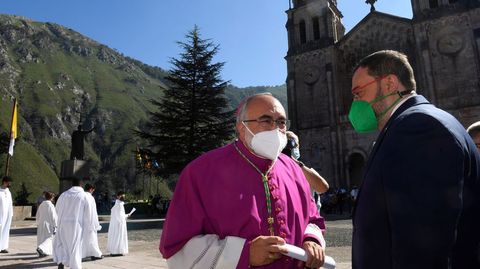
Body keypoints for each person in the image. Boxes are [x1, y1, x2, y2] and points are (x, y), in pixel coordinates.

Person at [160, 93, 326, 268]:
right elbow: (178, 248)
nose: (275, 129)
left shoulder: (294, 169)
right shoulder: (200, 172)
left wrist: (312, 240)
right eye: (266, 120)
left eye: (281, 122)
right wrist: (242, 254)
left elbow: (312, 218)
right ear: (241, 127)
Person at [349, 50, 480, 268]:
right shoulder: (414, 123)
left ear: (389, 84)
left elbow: (423, 247)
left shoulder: (418, 128)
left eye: (358, 93)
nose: (355, 104)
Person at [53, 177, 96, 269]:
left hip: (63, 224)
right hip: (76, 224)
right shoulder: (84, 196)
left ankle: (60, 262)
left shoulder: (64, 195)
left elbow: (57, 209)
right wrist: (90, 226)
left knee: (62, 244)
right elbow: (88, 213)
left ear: (71, 184)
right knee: (74, 246)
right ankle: (75, 266)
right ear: (81, 185)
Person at [82, 183, 103, 261]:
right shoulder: (90, 197)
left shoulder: (81, 196)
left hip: (81, 222)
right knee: (92, 239)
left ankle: (82, 254)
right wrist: (95, 224)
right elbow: (93, 212)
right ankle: (95, 254)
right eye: (93, 190)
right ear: (91, 189)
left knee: (83, 239)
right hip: (89, 222)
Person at [107, 191, 130, 256]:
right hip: (119, 224)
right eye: (121, 195)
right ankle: (116, 251)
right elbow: (120, 216)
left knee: (116, 237)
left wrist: (125, 215)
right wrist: (127, 215)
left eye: (123, 195)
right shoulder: (119, 205)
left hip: (116, 223)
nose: (123, 196)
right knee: (118, 237)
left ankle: (115, 251)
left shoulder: (118, 204)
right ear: (118, 196)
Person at [36, 191, 57, 257]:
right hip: (48, 225)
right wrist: (55, 225)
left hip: (41, 224)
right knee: (49, 238)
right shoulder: (51, 205)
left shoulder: (41, 204)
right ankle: (41, 248)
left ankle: (43, 252)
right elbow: (54, 216)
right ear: (51, 198)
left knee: (41, 238)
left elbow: (38, 214)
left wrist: (38, 223)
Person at [0, 176, 13, 254]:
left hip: (7, 215)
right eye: (9, 182)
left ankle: (3, 247)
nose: (10, 183)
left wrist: (11, 214)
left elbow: (10, 203)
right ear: (4, 182)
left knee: (6, 230)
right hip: (0, 215)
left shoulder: (8, 191)